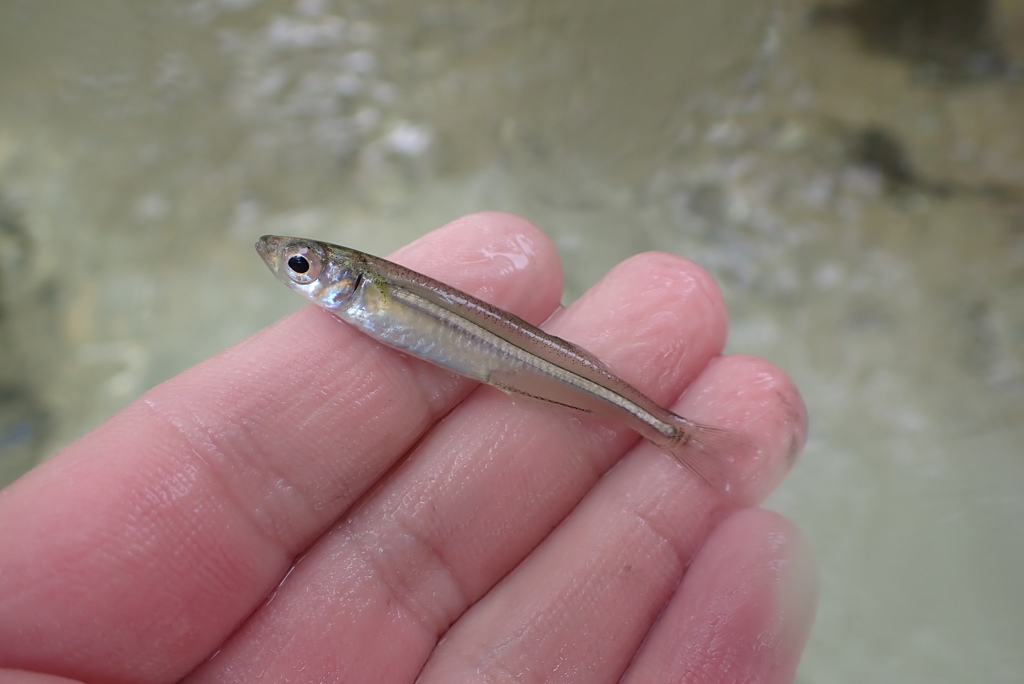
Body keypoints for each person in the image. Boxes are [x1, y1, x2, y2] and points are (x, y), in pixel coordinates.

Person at [0, 212, 815, 683]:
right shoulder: (363, 292)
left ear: (345, 282)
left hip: (534, 369)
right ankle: (676, 435)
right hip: (522, 369)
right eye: (299, 266)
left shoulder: (370, 291)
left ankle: (680, 436)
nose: (292, 274)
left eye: (300, 266)